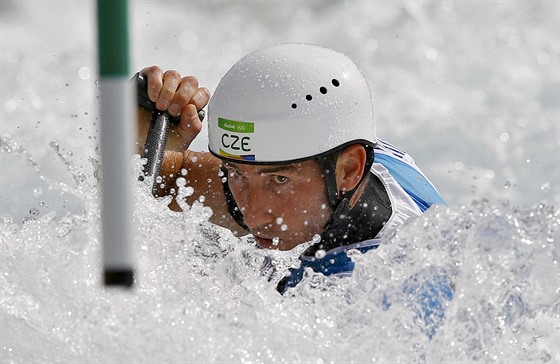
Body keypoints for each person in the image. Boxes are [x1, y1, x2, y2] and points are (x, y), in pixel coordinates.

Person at [136, 43, 446, 294]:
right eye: (236, 173)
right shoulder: (329, 167)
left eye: (279, 180)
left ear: (350, 169)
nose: (253, 215)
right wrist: (142, 144)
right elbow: (166, 180)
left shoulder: (382, 290)